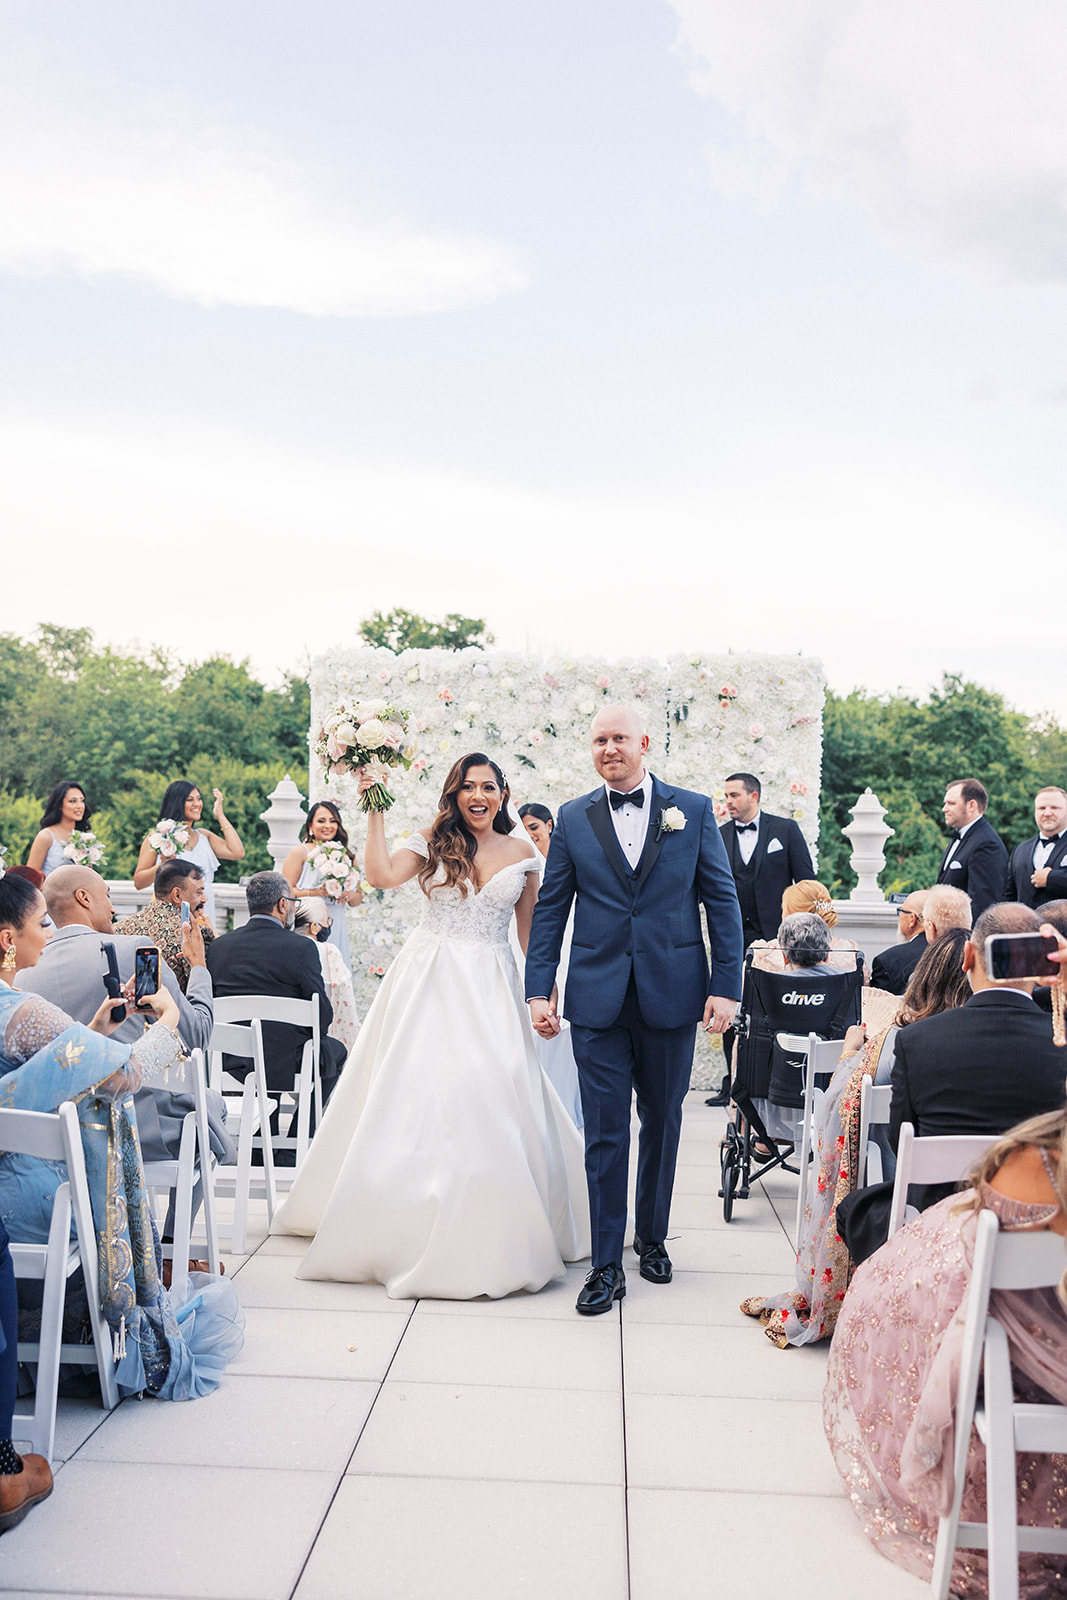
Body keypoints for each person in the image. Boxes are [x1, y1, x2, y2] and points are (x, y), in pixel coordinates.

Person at [272, 755, 588, 1298]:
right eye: (468, 787)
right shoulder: (432, 841)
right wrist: (373, 808)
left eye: (489, 786)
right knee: (419, 1092)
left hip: (492, 980)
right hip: (429, 977)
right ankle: (402, 1221)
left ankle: (497, 1223)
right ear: (454, 794)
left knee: (493, 1089)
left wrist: (542, 992)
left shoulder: (523, 852)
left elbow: (532, 927)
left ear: (504, 793)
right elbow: (378, 876)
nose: (478, 795)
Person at [526, 705, 743, 1315]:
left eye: (619, 738)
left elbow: (721, 904)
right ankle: (603, 1263)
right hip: (596, 997)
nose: (609, 748)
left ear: (643, 743)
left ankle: (651, 1240)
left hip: (672, 992)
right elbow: (551, 911)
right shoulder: (572, 817)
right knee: (604, 1131)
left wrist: (726, 986)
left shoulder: (693, 810)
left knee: (664, 1121)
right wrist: (539, 989)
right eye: (599, 740)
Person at [0, 870, 243, 1400]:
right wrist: (169, 1022)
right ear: (6, 941)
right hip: (32, 1205)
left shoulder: (21, 1003)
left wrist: (94, 1031)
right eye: (39, 923)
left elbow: (45, 1070)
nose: (47, 930)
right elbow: (122, 1076)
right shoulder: (22, 1010)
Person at [825, 1109, 1067, 1596]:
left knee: (880, 1234)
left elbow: (895, 1134)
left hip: (1011, 1339)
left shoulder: (1034, 1157)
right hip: (1024, 1326)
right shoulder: (1040, 1082)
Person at [739, 928, 970, 1348]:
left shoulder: (895, 1047)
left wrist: (849, 1054)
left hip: (902, 1200)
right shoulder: (1000, 1048)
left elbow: (836, 1107)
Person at [16, 865, 233, 1264]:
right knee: (211, 1109)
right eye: (108, 896)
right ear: (84, 898)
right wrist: (198, 966)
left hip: (51, 1133)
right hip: (137, 1123)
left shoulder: (26, 972)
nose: (114, 908)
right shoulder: (134, 948)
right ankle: (169, 1252)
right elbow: (197, 1033)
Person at [838, 901, 1067, 1265]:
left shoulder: (918, 1040)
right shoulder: (1059, 1043)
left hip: (940, 1228)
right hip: (1040, 1230)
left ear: (968, 956)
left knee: (855, 1208)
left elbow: (900, 1139)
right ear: (1042, 964)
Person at [206, 872, 348, 1146]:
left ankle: (263, 1136)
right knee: (333, 1052)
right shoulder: (302, 948)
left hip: (230, 1060)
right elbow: (321, 1016)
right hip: (285, 1059)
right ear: (283, 904)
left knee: (269, 1045)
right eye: (293, 901)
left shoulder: (219, 947)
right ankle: (296, 1140)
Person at [710, 776, 815, 1105]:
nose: (728, 801)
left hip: (778, 940)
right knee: (731, 1006)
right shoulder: (719, 835)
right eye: (726, 795)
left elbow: (807, 882)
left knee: (776, 1009)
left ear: (754, 796)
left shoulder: (785, 831)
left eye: (734, 795)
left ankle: (776, 1083)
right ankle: (734, 1083)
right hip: (732, 939)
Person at [515, 802, 583, 1127]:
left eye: (534, 828)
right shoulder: (520, 864)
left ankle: (567, 1109)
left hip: (568, 942)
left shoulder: (562, 860)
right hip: (529, 947)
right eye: (524, 828)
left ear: (549, 826)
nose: (529, 835)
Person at [134, 780, 245, 926]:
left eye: (199, 799)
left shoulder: (205, 836)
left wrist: (220, 815)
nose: (197, 804)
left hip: (203, 908)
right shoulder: (158, 837)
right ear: (177, 803)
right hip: (173, 912)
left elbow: (237, 852)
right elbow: (139, 882)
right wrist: (162, 865)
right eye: (190, 800)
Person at [114, 859, 215, 992]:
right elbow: (203, 990)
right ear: (177, 895)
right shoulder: (194, 936)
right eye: (199, 892)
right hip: (174, 1011)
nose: (205, 899)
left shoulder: (118, 929)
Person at [282, 800, 362, 968]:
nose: (328, 825)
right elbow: (286, 892)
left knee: (334, 969)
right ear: (310, 825)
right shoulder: (301, 851)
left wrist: (349, 894)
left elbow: (357, 901)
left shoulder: (346, 855)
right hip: (308, 920)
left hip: (336, 919)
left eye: (333, 821)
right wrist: (318, 892)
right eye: (321, 820)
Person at [294, 898, 360, 1055]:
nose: (328, 924)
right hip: (323, 1036)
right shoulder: (329, 952)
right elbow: (345, 1004)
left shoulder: (285, 948)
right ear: (315, 926)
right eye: (326, 920)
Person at [936, 777, 1009, 920]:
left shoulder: (986, 844)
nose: (944, 809)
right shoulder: (962, 836)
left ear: (971, 806)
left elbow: (983, 905)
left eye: (951, 803)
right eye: (945, 803)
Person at [1005, 784, 1067, 909]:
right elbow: (1008, 895)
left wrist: (1051, 879)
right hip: (1026, 928)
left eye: (1055, 808)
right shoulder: (1020, 849)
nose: (1047, 813)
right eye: (1041, 808)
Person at [26, 782, 93, 877]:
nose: (80, 806)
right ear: (60, 805)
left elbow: (89, 876)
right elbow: (30, 878)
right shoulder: (46, 836)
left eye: (82, 801)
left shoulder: (84, 838)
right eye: (73, 801)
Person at [870, 890, 928, 995]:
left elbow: (876, 1008)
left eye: (901, 911)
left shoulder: (888, 960)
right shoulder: (956, 950)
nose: (899, 917)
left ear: (912, 919)